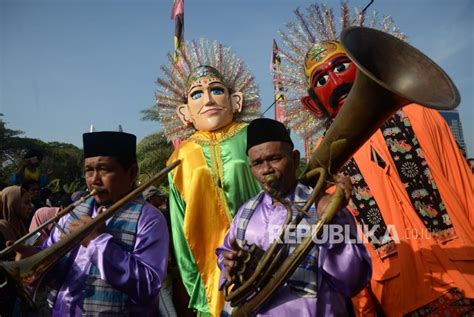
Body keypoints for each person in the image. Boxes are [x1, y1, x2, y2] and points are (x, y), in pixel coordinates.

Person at [273, 2, 474, 316]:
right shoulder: (325, 161)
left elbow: (464, 186)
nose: (336, 82)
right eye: (321, 80)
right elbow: (342, 238)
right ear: (313, 105)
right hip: (394, 294)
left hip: (466, 273)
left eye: (341, 67)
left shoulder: (421, 114)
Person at [217, 118, 371, 316]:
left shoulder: (323, 206)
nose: (266, 169)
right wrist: (227, 263)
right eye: (257, 163)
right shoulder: (245, 212)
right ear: (251, 168)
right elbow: (225, 251)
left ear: (295, 158)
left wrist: (331, 225)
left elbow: (353, 281)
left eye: (274, 158)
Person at [154, 39, 261, 316]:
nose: (209, 99)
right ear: (185, 112)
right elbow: (180, 228)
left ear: (235, 100)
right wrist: (196, 286)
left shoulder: (255, 136)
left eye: (216, 90)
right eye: (197, 94)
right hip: (212, 277)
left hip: (265, 260)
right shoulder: (180, 157)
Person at [12, 131, 170, 315]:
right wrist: (33, 258)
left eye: (104, 169)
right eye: (89, 170)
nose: (94, 180)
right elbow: (51, 261)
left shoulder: (150, 219)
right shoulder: (72, 214)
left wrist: (99, 242)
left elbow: (148, 287)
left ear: (132, 172)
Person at [143, 186, 177, 317]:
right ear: (151, 198)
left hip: (165, 276)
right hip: (160, 280)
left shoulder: (151, 217)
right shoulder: (153, 217)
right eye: (158, 196)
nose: (161, 198)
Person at [0, 185, 33, 316]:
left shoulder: (20, 227)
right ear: (12, 204)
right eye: (26, 202)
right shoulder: (2, 230)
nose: (31, 206)